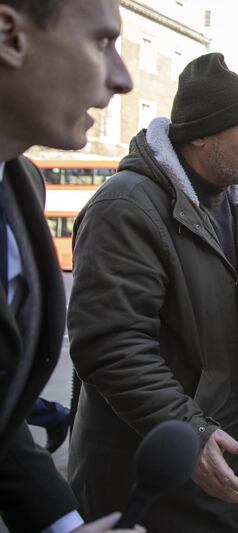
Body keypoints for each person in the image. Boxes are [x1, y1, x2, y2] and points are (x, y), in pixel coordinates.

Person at [67, 52, 238, 533]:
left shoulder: (233, 203)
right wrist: (190, 431)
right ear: (201, 132)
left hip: (215, 457)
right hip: (155, 476)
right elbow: (112, 345)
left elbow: (221, 316)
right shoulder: (126, 206)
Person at [0, 0, 142, 530]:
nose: (122, 79)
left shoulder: (23, 186)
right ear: (9, 35)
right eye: (103, 42)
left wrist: (63, 524)